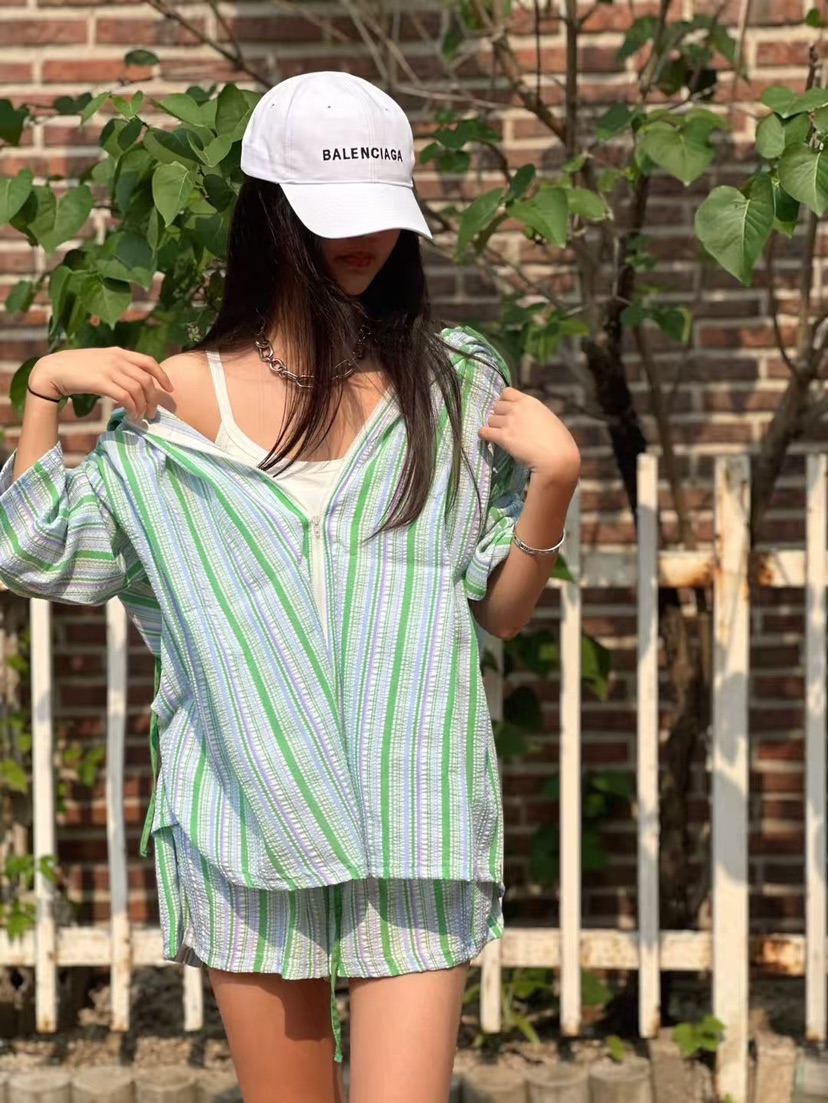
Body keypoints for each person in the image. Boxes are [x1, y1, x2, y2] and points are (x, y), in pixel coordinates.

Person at [0, 71, 580, 1103]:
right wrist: (45, 387)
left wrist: (557, 480)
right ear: (270, 214)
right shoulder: (176, 401)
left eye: (382, 213)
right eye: (332, 212)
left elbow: (498, 609)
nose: (366, 239)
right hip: (245, 815)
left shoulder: (452, 383)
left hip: (416, 811)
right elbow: (35, 549)